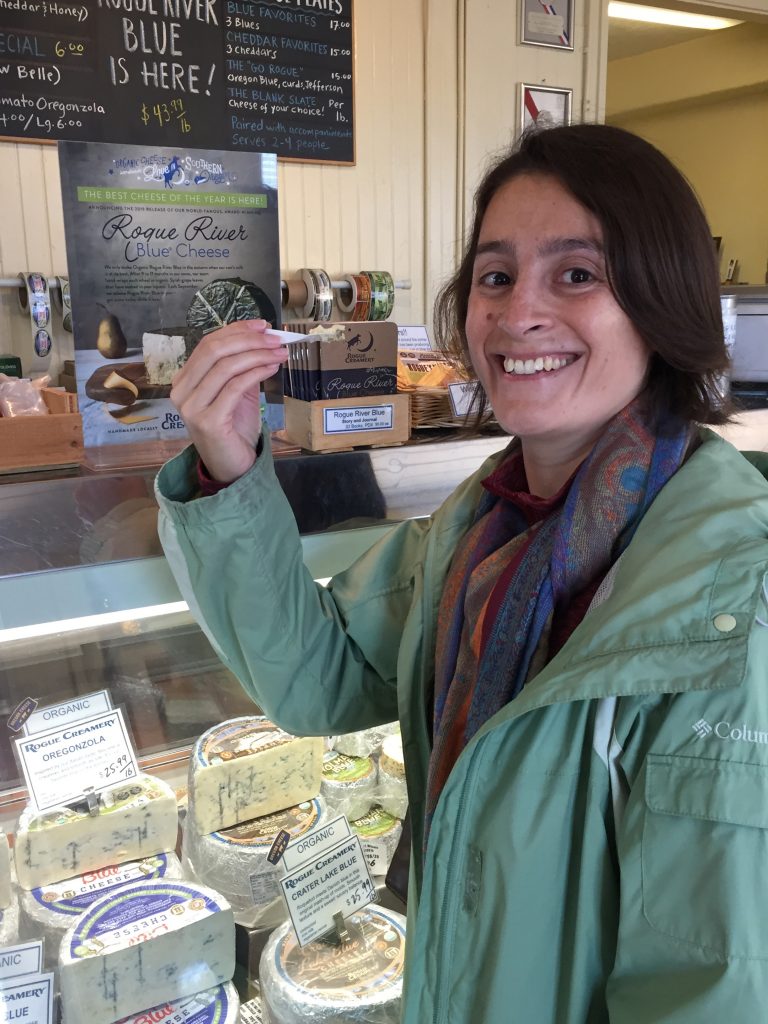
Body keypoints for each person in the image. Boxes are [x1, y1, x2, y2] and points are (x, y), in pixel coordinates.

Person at [155, 124, 768, 1023]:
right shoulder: (482, 525)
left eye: (577, 274)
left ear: (660, 302)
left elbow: (710, 988)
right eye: (494, 275)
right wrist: (229, 462)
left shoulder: (734, 603)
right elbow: (320, 680)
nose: (518, 313)